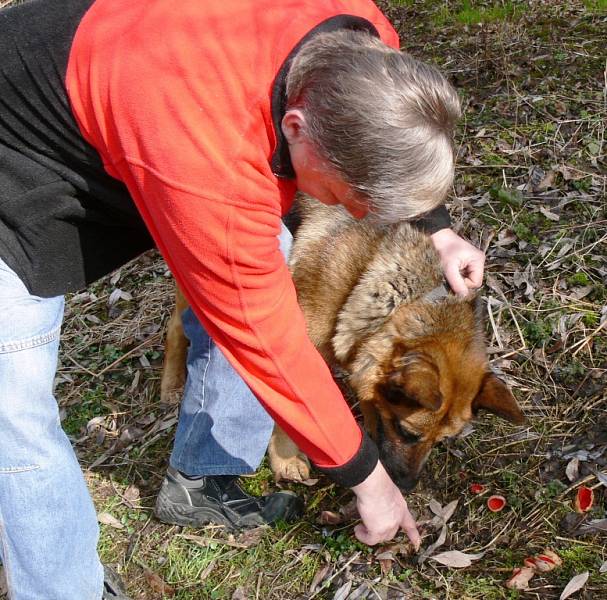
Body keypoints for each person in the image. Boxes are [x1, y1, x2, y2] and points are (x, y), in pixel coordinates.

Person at [0, 0, 485, 598]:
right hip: (22, 155)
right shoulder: (208, 156)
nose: (360, 216)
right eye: (350, 196)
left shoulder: (360, 34)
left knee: (269, 248)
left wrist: (436, 228)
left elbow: (398, 133)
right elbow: (264, 338)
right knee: (13, 417)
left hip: (117, 88)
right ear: (296, 126)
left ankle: (200, 479)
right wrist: (369, 479)